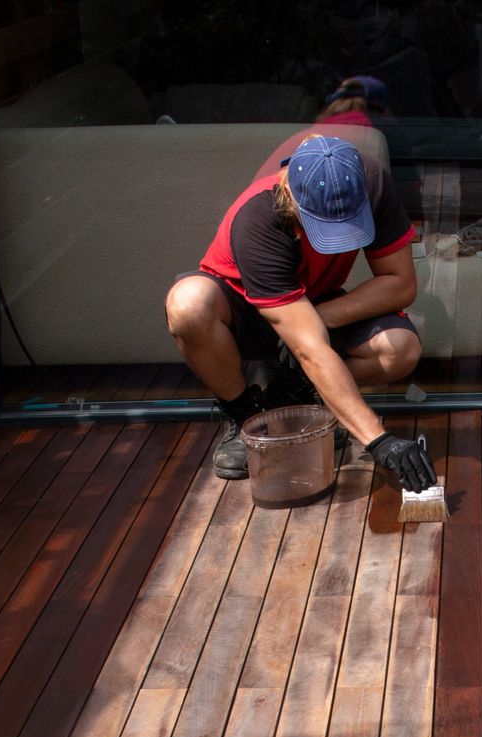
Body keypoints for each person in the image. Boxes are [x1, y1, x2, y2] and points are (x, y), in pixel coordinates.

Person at [163, 134, 438, 492]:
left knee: (400, 349)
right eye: (325, 227)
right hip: (245, 310)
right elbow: (311, 348)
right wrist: (379, 440)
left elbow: (400, 283)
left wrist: (323, 316)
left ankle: (293, 396)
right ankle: (246, 415)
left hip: (314, 300)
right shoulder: (259, 217)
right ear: (291, 194)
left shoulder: (370, 181)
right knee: (187, 305)